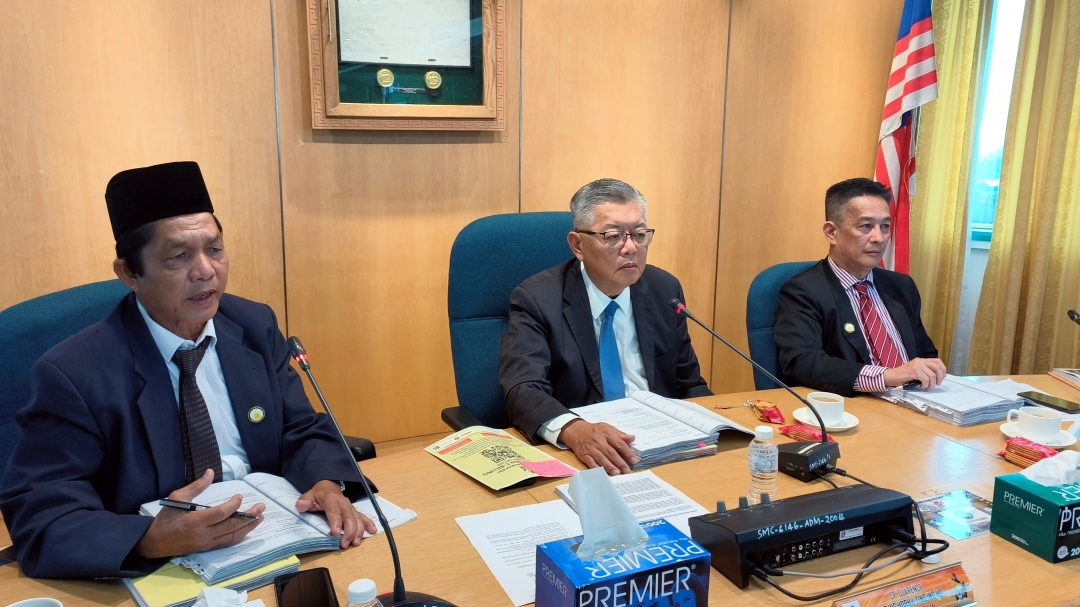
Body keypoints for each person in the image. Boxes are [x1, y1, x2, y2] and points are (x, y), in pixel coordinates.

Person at [0, 161, 375, 579]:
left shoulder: (253, 325)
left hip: (282, 543)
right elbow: (42, 515)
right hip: (165, 573)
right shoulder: (74, 373)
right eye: (179, 257)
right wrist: (150, 539)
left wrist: (327, 483)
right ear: (129, 273)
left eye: (214, 249)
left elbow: (300, 428)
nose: (205, 271)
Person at [500, 178, 712, 475]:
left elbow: (689, 384)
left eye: (639, 234)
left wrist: (717, 429)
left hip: (663, 449)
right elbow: (522, 388)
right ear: (578, 244)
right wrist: (575, 430)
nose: (630, 248)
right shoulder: (537, 299)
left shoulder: (665, 290)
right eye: (613, 236)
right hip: (584, 455)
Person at [774, 177, 946, 396]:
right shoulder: (803, 291)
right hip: (856, 409)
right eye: (866, 226)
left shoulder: (902, 286)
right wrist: (888, 377)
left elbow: (925, 353)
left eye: (885, 226)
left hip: (917, 402)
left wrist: (930, 370)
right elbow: (803, 363)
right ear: (831, 233)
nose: (879, 238)